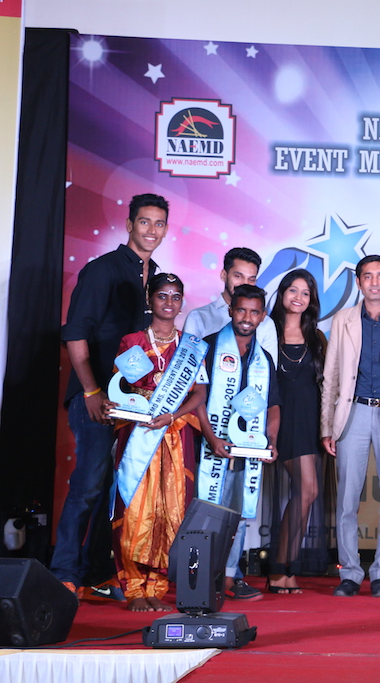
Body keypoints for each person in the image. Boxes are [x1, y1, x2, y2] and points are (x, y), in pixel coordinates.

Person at [53, 193, 169, 600]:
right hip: (97, 397)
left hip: (136, 405)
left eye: (159, 223)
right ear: (129, 224)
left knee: (118, 489)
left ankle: (98, 572)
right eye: (144, 222)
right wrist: (90, 390)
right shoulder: (102, 270)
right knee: (88, 485)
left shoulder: (159, 280)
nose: (151, 230)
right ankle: (63, 573)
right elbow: (75, 334)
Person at [106, 273, 207, 611]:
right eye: (162, 295)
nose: (169, 302)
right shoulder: (132, 341)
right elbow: (119, 387)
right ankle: (135, 587)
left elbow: (199, 393)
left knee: (172, 508)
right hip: (139, 433)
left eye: (176, 297)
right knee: (135, 506)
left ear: (182, 302)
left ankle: (157, 586)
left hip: (176, 434)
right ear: (150, 299)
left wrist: (173, 414)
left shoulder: (191, 346)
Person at [183, 247, 277, 602]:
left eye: (254, 312)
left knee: (237, 512)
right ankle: (196, 578)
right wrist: (210, 436)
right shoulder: (206, 341)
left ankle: (228, 576)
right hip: (210, 440)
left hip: (247, 443)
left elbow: (272, 400)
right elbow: (196, 395)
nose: (247, 317)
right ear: (231, 310)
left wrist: (269, 439)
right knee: (207, 509)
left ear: (261, 315)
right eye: (241, 310)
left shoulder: (264, 351)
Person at [321, 255, 380, 599]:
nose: (375, 282)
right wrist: (327, 425)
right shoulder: (343, 320)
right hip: (353, 412)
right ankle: (350, 572)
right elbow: (330, 375)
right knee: (347, 499)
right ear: (359, 282)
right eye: (368, 276)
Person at [266, 269, 327, 594]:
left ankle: (287, 569)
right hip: (280, 417)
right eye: (293, 290)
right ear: (282, 293)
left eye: (305, 292)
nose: (298, 297)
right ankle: (279, 568)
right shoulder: (266, 331)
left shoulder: (317, 337)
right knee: (306, 490)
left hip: (309, 420)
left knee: (308, 492)